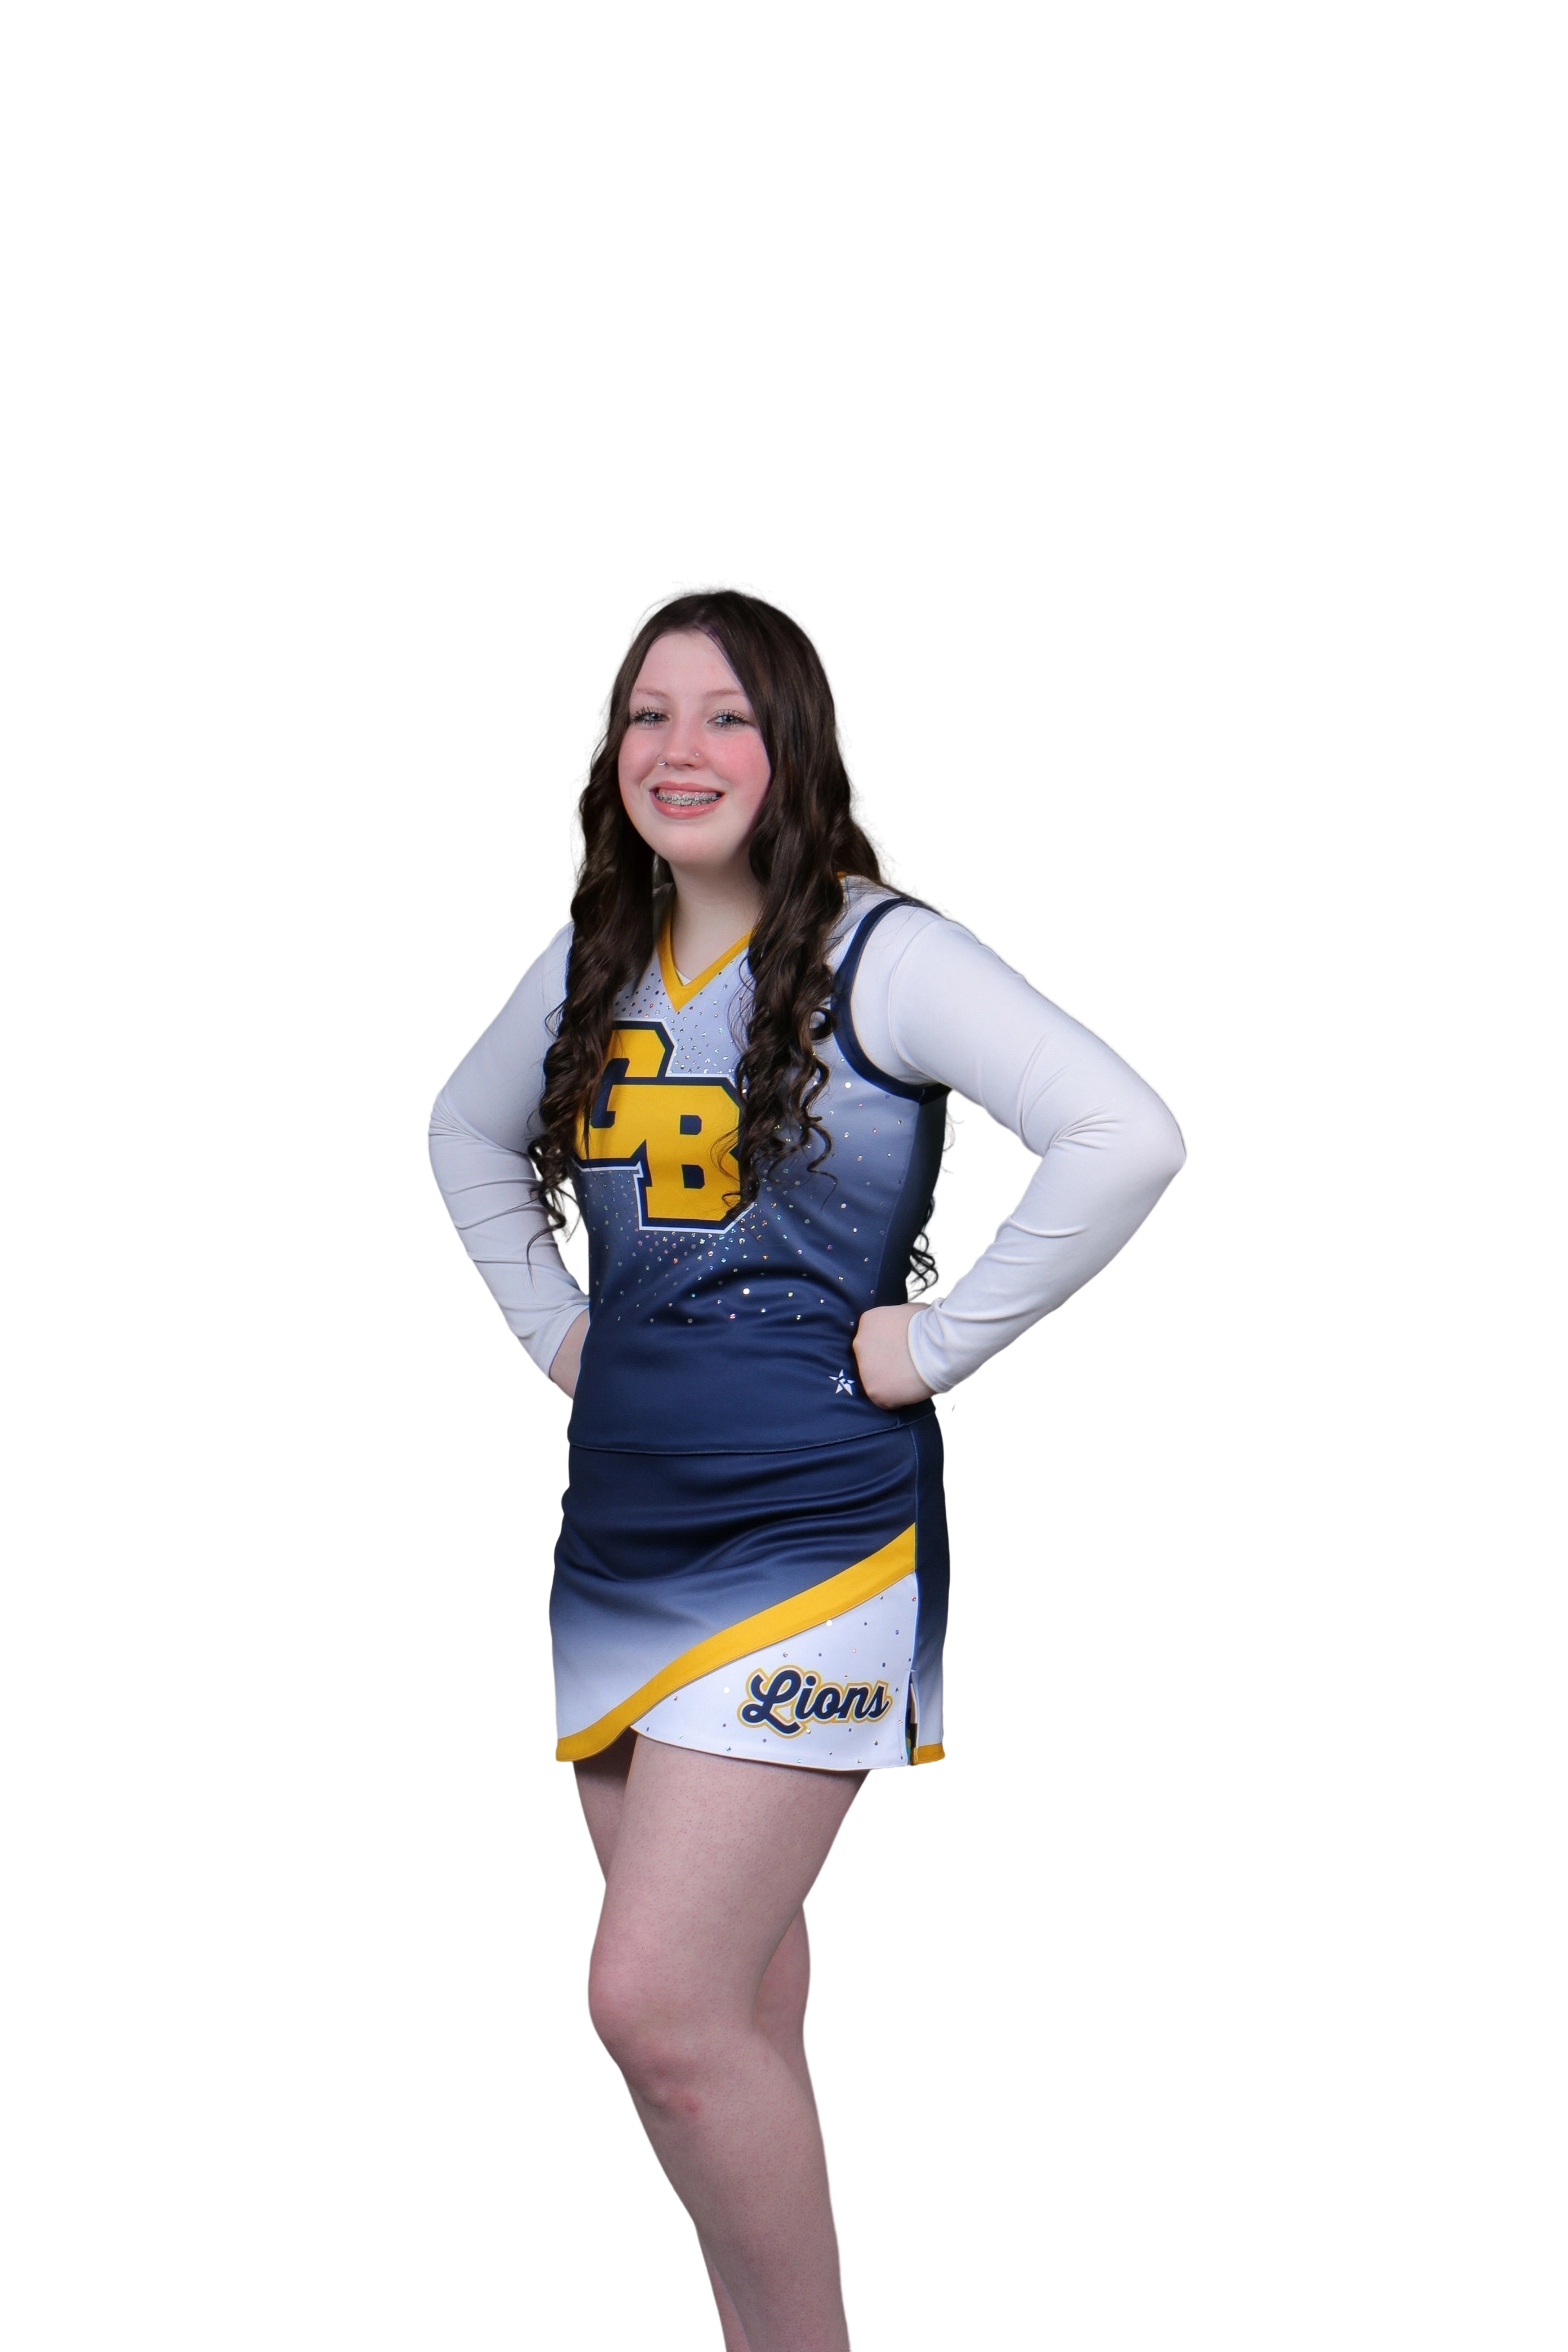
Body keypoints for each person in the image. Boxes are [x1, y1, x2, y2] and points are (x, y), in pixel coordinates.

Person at [424, 578, 1190, 2352]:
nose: (679, 749)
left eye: (727, 716)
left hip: (813, 1533)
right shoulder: (596, 951)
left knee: (659, 2012)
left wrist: (938, 1342)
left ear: (798, 746)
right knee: (744, 2017)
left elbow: (1122, 1133)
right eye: (648, 714)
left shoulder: (883, 950)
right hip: (620, 1531)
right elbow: (462, 1132)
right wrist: (555, 1329)